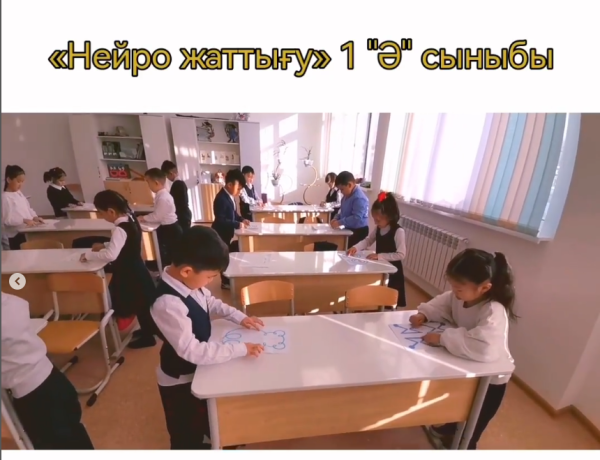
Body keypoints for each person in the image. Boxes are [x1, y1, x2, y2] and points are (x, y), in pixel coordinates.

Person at [150, 226, 264, 449]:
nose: (211, 282)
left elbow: (211, 302)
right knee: (185, 434)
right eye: (210, 276)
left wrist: (239, 317)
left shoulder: (189, 283)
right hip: (180, 378)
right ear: (187, 271)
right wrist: (240, 348)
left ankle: (217, 439)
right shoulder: (168, 303)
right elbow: (192, 351)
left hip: (199, 370)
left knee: (206, 416)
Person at [409, 248, 516, 450]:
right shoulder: (459, 296)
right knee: (457, 404)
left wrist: (442, 338)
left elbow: (485, 348)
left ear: (484, 288)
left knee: (472, 425)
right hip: (467, 367)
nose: (454, 293)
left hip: (490, 381)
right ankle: (449, 429)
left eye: (459, 289)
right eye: (453, 287)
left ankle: (465, 446)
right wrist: (424, 314)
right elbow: (442, 303)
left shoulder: (493, 310)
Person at [1, 292, 94, 449]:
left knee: (55, 443)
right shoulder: (11, 303)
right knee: (74, 433)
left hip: (34, 398)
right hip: (54, 380)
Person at [80, 190, 157, 347]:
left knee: (139, 304)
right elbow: (124, 243)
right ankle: (148, 330)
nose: (102, 217)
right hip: (137, 268)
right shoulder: (131, 218)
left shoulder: (119, 229)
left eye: (101, 213)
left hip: (129, 272)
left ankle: (148, 338)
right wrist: (105, 244)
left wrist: (89, 255)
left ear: (111, 211)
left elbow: (111, 255)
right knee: (142, 305)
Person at [347, 192, 407, 307]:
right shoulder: (379, 228)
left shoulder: (398, 231)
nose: (375, 222)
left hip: (393, 272)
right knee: (379, 296)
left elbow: (401, 254)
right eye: (374, 219)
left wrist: (379, 256)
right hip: (381, 267)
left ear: (389, 216)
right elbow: (368, 240)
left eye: (378, 220)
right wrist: (355, 247)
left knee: (389, 300)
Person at [211, 169, 250, 289]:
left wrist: (242, 219)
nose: (239, 191)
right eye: (238, 188)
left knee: (228, 254)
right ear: (229, 184)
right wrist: (237, 224)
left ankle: (229, 278)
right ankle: (225, 282)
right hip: (220, 233)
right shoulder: (221, 199)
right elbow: (221, 220)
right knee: (224, 258)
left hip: (227, 233)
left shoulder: (230, 196)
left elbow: (234, 213)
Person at [139, 168, 183, 266]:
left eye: (148, 182)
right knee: (167, 254)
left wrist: (143, 218)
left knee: (171, 255)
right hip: (168, 228)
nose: (148, 185)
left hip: (171, 229)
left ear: (156, 182)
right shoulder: (160, 195)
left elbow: (157, 216)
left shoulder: (163, 197)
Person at [2, 165, 44, 250]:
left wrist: (34, 217)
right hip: (15, 236)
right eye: (18, 181)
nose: (21, 184)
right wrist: (24, 220)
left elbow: (28, 209)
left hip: (26, 232)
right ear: (9, 180)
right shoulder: (5, 197)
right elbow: (6, 220)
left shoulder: (19, 193)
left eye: (22, 181)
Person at [330, 171, 369, 247]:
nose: (341, 192)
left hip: (359, 231)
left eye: (342, 189)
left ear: (350, 185)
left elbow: (356, 218)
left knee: (343, 248)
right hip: (349, 228)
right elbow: (342, 212)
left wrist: (339, 222)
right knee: (337, 244)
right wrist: (335, 219)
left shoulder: (359, 198)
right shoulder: (346, 196)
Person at [161, 161, 192, 231]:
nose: (167, 178)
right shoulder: (180, 183)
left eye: (167, 176)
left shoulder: (177, 184)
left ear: (171, 173)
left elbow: (178, 202)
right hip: (184, 213)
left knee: (184, 234)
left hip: (182, 215)